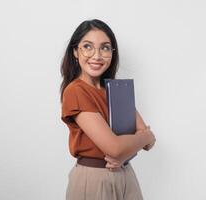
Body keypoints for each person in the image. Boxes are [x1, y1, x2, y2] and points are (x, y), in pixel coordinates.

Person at [60, 19, 156, 200]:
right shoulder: (76, 91)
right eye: (87, 47)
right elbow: (115, 147)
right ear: (75, 51)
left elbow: (150, 143)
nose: (97, 55)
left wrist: (126, 154)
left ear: (112, 53)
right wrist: (143, 137)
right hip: (94, 179)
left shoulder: (115, 89)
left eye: (104, 48)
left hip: (126, 174)